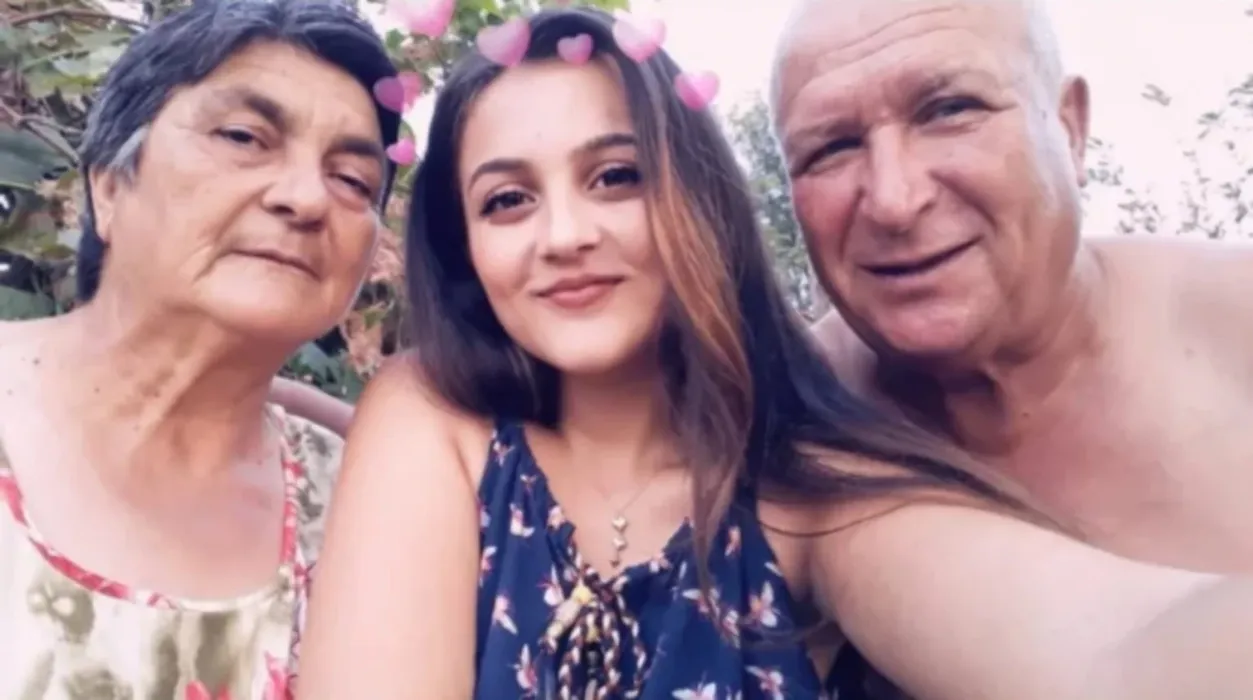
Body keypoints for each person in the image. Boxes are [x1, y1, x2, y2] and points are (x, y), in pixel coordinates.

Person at [298, 7, 1253, 700]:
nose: (566, 235)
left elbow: (1114, 648)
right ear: (464, 248)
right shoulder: (437, 423)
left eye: (617, 176)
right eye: (507, 200)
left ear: (698, 198)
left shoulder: (806, 485)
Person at [0, 0, 399, 696]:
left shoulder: (366, 514)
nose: (307, 198)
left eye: (352, 181)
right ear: (108, 185)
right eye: (244, 137)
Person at [772, 0, 1253, 574]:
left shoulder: (1235, 322)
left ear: (1070, 128)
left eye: (949, 110)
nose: (894, 201)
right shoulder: (783, 422)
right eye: (831, 148)